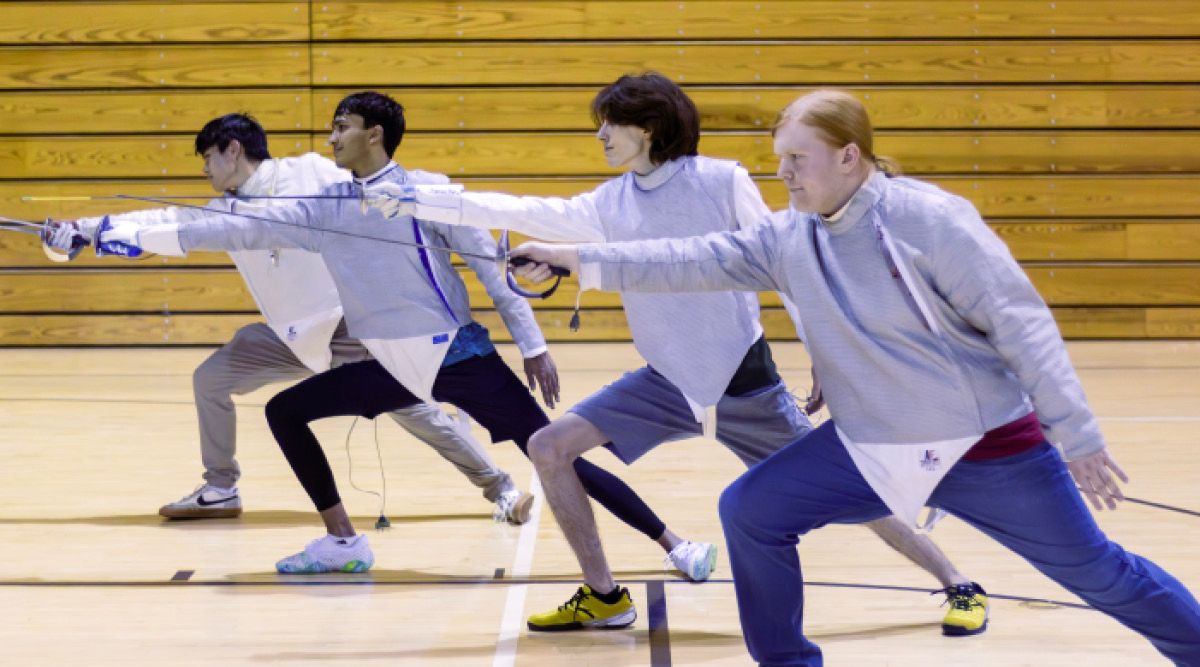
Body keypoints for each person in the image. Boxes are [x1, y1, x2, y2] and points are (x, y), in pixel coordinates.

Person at [509, 89, 1200, 665]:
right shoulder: (788, 236)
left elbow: (1021, 322)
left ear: (849, 156)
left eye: (797, 160)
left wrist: (1076, 434)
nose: (783, 173)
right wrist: (572, 258)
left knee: (1098, 573)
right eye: (779, 158)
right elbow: (682, 258)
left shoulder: (929, 220)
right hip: (868, 443)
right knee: (751, 509)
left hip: (983, 445)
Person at [378, 73, 988, 635]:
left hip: (744, 386)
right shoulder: (610, 202)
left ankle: (960, 582)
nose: (599, 135)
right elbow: (521, 210)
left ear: (647, 128)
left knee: (849, 493)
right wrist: (421, 200)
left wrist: (825, 356)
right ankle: (604, 596)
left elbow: (788, 267)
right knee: (548, 446)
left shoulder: (721, 180)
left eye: (608, 124)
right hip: (666, 384)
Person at [89, 91, 702, 578]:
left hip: (459, 357)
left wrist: (534, 345)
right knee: (286, 412)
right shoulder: (322, 206)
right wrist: (107, 233)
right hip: (388, 365)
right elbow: (219, 229)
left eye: (341, 126)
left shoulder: (429, 192)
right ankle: (342, 542)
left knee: (554, 456)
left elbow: (493, 271)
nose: (330, 138)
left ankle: (672, 542)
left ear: (373, 134)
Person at [45, 114, 536, 525]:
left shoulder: (309, 173)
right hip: (289, 337)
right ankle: (221, 489)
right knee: (211, 379)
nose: (206, 172)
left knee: (412, 410)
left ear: (232, 150)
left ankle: (500, 489)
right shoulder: (222, 210)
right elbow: (165, 221)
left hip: (348, 328)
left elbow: (377, 183)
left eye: (208, 159)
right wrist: (86, 230)